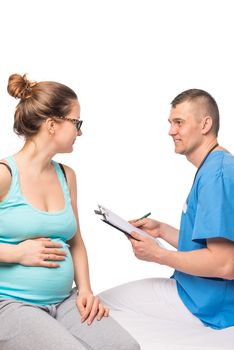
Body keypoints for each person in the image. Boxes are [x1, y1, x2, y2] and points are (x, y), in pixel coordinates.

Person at [0, 73, 140, 350]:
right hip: (11, 303)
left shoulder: (67, 175)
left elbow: (75, 242)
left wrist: (85, 290)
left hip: (65, 300)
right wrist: (17, 253)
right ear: (52, 125)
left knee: (127, 348)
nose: (80, 131)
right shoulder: (4, 175)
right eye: (77, 122)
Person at [99, 89, 234, 348]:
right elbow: (207, 243)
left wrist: (157, 255)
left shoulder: (216, 176)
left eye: (179, 122)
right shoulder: (217, 166)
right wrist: (161, 230)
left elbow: (225, 264)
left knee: (100, 307)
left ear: (205, 124)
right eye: (170, 123)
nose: (171, 131)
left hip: (206, 305)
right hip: (197, 293)